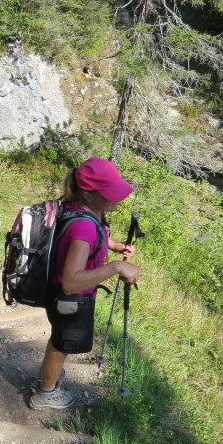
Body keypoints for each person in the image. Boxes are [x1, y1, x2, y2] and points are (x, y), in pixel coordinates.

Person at [29, 157, 140, 410]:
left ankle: (49, 376)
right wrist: (116, 267)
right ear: (90, 194)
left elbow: (97, 230)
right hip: (68, 299)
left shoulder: (81, 208)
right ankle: (45, 393)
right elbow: (71, 282)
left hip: (57, 293)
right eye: (110, 193)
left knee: (60, 341)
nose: (118, 198)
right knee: (60, 346)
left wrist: (114, 246)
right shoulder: (83, 228)